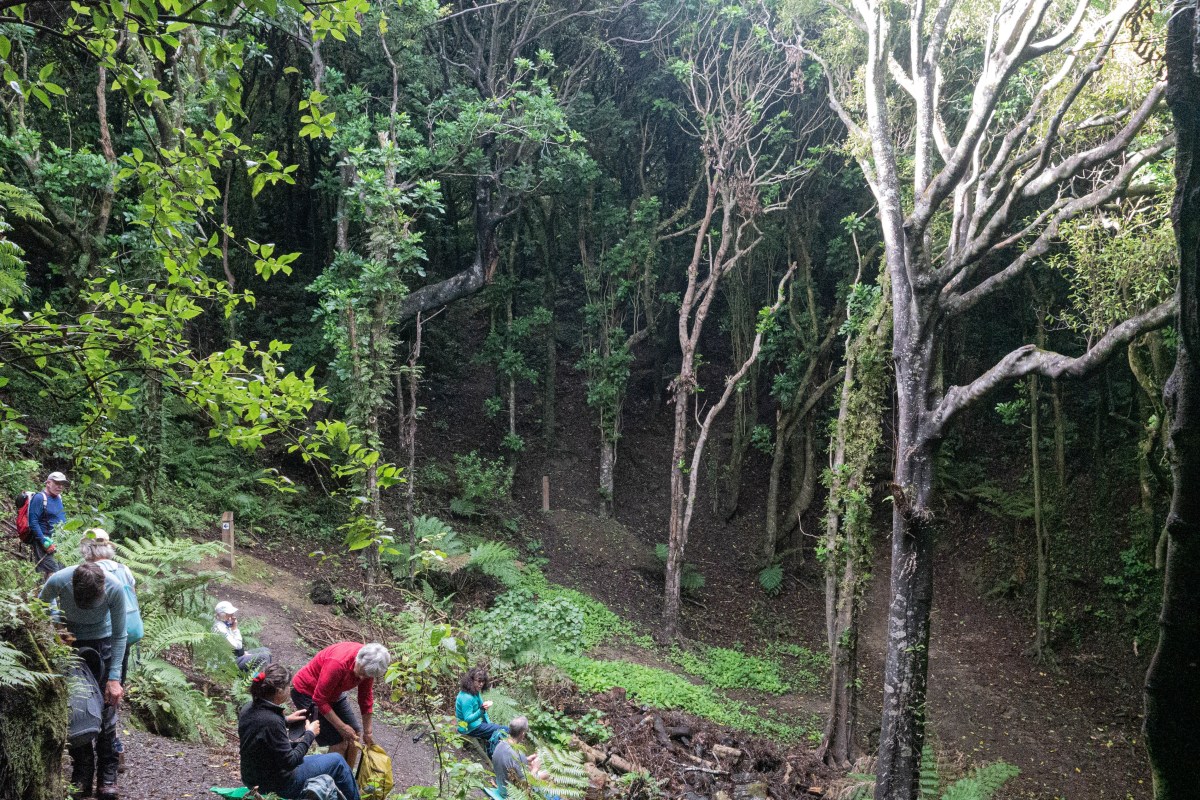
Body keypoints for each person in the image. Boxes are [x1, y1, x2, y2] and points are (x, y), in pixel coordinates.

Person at [39, 562, 127, 799]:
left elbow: (120, 634)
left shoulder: (115, 588)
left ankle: (108, 775)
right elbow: (41, 603)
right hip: (69, 645)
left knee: (107, 708)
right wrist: (56, 623)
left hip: (103, 643)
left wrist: (114, 678)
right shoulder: (59, 580)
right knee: (78, 709)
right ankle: (82, 772)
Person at [238, 663, 361, 800]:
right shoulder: (272, 721)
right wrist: (310, 734)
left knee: (328, 760)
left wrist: (286, 720)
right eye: (288, 687)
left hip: (252, 778)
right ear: (279, 691)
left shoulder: (248, 708)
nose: (289, 689)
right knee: (338, 762)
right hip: (277, 784)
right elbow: (290, 762)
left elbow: (260, 729)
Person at [80, 528, 141, 777]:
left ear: (87, 549)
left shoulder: (88, 573)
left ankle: (94, 748)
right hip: (126, 637)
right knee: (113, 691)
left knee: (91, 693)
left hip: (102, 638)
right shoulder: (124, 569)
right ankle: (114, 748)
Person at [290, 641, 389, 762]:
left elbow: (365, 697)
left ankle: (347, 773)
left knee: (355, 736)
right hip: (307, 692)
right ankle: (330, 773)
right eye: (362, 673)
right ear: (358, 660)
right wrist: (342, 727)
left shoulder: (370, 664)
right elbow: (320, 699)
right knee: (338, 743)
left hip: (333, 692)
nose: (362, 678)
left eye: (367, 676)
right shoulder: (338, 663)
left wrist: (368, 732)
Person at [490, 716, 552, 799]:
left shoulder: (500, 744)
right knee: (548, 774)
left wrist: (526, 759)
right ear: (522, 733)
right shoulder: (518, 753)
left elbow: (509, 761)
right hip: (512, 795)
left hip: (502, 788)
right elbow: (526, 785)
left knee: (531, 768)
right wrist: (535, 768)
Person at [456, 666, 507, 756]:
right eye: (478, 681)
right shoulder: (466, 697)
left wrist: (489, 724)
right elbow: (467, 719)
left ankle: (493, 753)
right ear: (471, 680)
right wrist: (481, 711)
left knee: (497, 731)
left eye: (483, 681)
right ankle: (495, 755)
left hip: (476, 724)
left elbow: (482, 708)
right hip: (468, 728)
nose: (481, 684)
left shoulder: (475, 692)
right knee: (505, 730)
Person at [26, 470, 68, 576]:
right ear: (48, 483)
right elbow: (33, 522)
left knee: (61, 572)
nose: (60, 486)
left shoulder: (59, 497)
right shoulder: (39, 498)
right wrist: (44, 542)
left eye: (62, 484)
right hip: (45, 540)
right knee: (52, 572)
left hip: (59, 541)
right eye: (57, 483)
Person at [212, 601, 272, 671]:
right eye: (230, 614)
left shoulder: (225, 625)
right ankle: (259, 677)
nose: (233, 616)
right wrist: (235, 628)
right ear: (223, 615)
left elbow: (235, 648)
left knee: (266, 650)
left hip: (234, 656)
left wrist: (243, 653)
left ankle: (267, 674)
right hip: (227, 663)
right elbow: (238, 646)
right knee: (264, 657)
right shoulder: (220, 629)